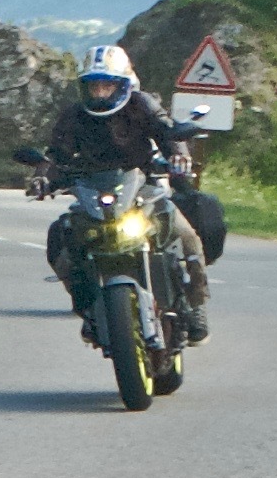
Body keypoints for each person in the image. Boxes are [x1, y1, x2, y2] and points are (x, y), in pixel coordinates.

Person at [36, 45, 209, 343]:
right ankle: (89, 309)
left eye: (107, 85)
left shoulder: (142, 104)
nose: (100, 92)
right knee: (61, 238)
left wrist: (179, 155)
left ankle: (196, 307)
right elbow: (56, 153)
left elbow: (167, 131)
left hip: (142, 183)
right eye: (94, 86)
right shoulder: (74, 115)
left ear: (123, 84)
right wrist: (42, 176)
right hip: (92, 189)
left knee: (186, 236)